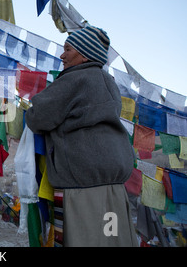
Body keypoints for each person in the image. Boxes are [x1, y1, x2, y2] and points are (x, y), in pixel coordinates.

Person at [24, 26, 138, 247]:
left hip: (82, 189)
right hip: (113, 187)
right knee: (111, 236)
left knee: (86, 239)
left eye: (68, 49)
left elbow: (38, 118)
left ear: (85, 54)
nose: (62, 55)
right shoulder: (108, 82)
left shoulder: (74, 79)